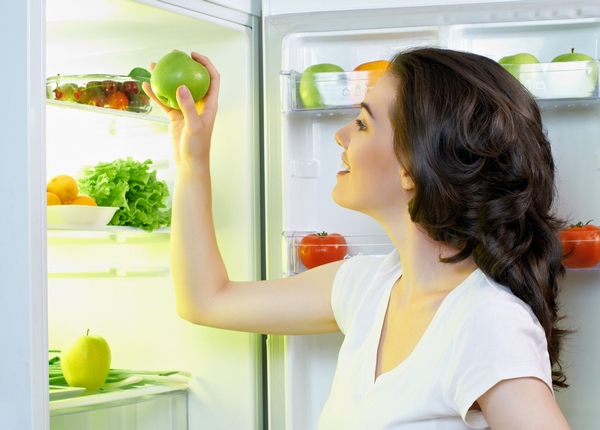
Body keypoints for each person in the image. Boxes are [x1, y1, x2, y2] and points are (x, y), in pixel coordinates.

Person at [143, 47, 571, 429]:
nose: (341, 135)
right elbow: (205, 299)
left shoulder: (486, 321)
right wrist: (191, 159)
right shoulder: (369, 287)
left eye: (363, 124)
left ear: (411, 166)